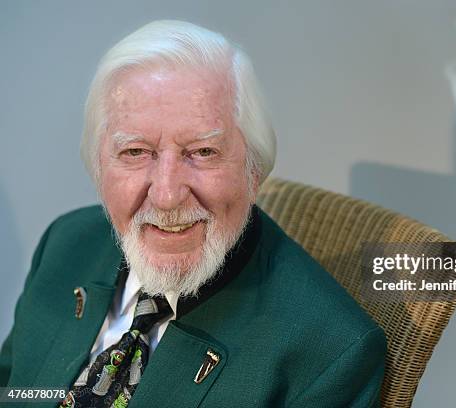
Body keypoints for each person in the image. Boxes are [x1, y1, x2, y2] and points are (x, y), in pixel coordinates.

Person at [0, 20, 386, 407]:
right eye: (135, 152)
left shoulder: (328, 352)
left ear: (254, 169)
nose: (167, 196)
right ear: (98, 166)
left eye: (203, 152)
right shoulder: (67, 242)